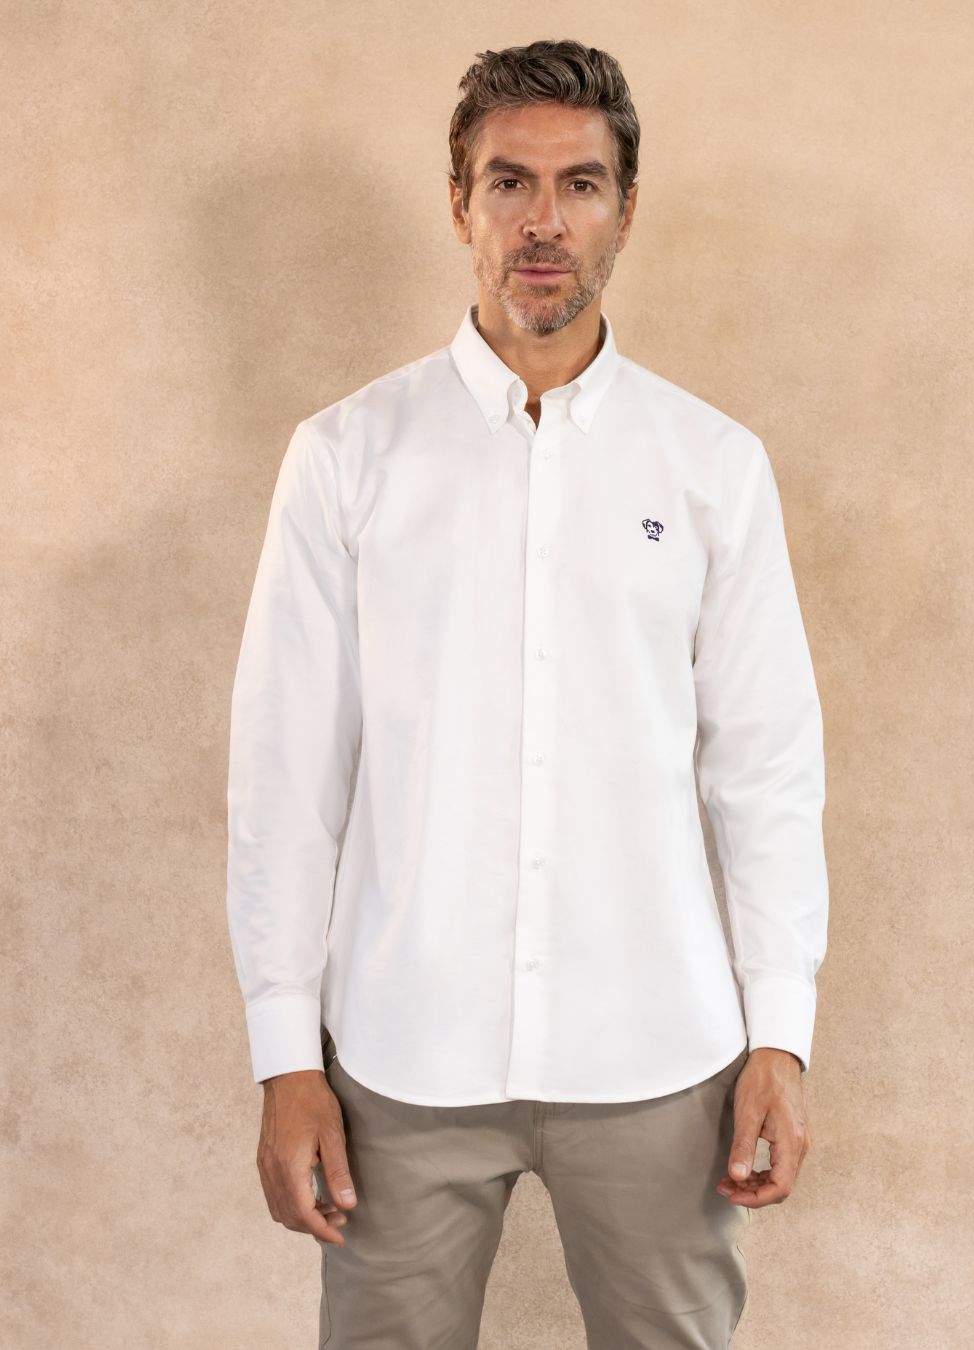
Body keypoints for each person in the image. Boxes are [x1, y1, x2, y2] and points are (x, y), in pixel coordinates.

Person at [226, 37, 829, 1350]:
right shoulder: (345, 459)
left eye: (580, 184)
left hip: (658, 1051)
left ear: (625, 209)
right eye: (509, 181)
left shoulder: (713, 466)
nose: (543, 221)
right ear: (460, 204)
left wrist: (780, 1034)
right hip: (404, 1054)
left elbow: (767, 767)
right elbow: (286, 775)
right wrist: (286, 1056)